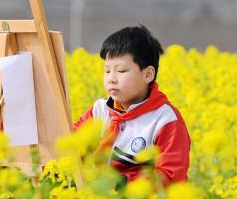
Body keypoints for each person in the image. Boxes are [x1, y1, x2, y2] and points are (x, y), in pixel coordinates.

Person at [73, 25, 190, 185]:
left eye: (121, 71)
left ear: (148, 74)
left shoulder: (165, 119)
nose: (111, 79)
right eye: (107, 71)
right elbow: (73, 146)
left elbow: (171, 174)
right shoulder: (100, 110)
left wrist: (122, 184)